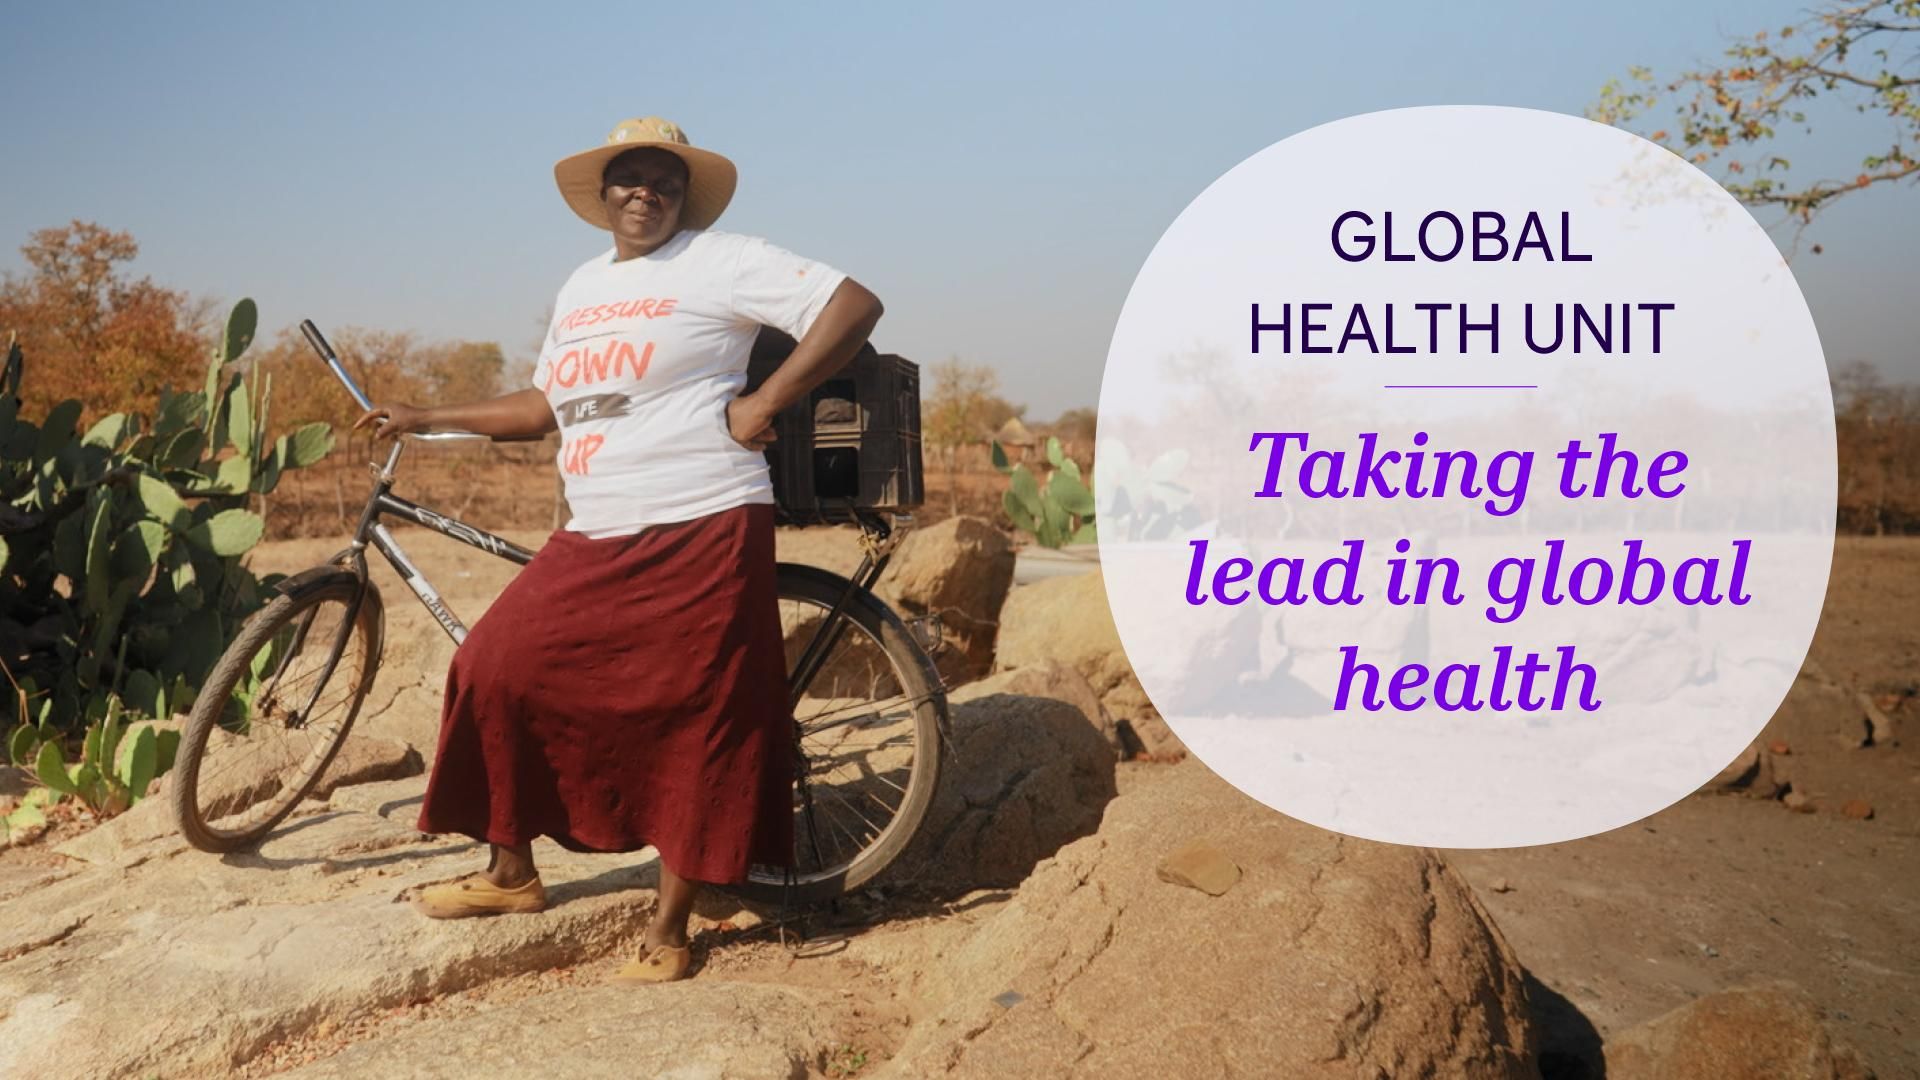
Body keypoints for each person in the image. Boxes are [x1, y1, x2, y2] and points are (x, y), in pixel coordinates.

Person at [352, 116, 884, 983]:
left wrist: (767, 402)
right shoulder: (582, 285)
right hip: (597, 525)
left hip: (704, 514)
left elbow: (854, 305)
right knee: (494, 666)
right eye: (628, 179)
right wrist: (423, 414)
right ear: (602, 197)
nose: (646, 192)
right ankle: (511, 875)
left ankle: (672, 930)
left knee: (695, 714)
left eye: (663, 181)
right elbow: (540, 409)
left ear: (685, 195)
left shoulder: (722, 258)